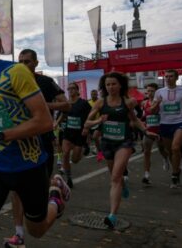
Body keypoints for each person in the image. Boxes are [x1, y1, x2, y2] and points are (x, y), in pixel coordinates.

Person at [0, 27, 70, 248]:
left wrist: (0, 136)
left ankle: (56, 199)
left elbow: (44, 121)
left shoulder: (16, 72)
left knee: (37, 230)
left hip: (29, 166)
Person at [4, 48, 71, 247]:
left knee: (37, 196)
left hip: (42, 141)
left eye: (27, 61)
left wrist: (41, 105)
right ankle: (18, 235)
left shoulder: (45, 82)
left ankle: (55, 194)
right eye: (20, 61)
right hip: (19, 141)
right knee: (15, 188)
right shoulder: (12, 83)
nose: (23, 65)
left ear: (35, 63)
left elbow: (66, 106)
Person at [84, 71, 157, 229]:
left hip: (124, 142)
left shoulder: (128, 102)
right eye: (108, 84)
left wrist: (145, 131)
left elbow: (135, 119)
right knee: (115, 176)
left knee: (116, 177)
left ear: (120, 85)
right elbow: (87, 123)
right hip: (107, 143)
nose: (110, 87)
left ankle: (112, 216)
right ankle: (123, 185)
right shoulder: (100, 103)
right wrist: (99, 120)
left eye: (114, 84)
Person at [150, 69, 182, 189]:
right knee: (170, 151)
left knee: (176, 148)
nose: (168, 78)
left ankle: (175, 175)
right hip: (165, 123)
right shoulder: (159, 92)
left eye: (171, 76)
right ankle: (177, 173)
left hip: (180, 122)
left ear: (176, 78)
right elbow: (152, 110)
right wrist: (157, 103)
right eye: (166, 76)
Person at [56, 83, 91, 188]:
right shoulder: (67, 104)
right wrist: (56, 123)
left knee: (75, 160)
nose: (70, 90)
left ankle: (83, 150)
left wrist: (87, 128)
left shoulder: (83, 103)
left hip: (79, 134)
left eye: (72, 89)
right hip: (67, 133)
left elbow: (91, 116)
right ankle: (68, 178)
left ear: (77, 90)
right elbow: (63, 114)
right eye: (69, 89)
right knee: (65, 153)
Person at [139, 83, 167, 185]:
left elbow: (155, 111)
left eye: (152, 91)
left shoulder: (162, 102)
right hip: (149, 130)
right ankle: (146, 175)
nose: (150, 93)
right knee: (146, 152)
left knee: (162, 149)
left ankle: (165, 158)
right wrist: (141, 121)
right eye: (148, 91)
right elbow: (144, 115)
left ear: (156, 92)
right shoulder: (143, 103)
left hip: (159, 130)